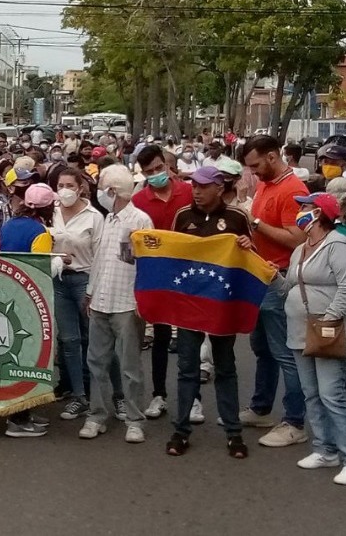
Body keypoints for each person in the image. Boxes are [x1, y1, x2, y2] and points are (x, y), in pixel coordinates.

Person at [280, 193, 346, 485]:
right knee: (312, 392)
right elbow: (291, 284)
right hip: (299, 330)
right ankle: (324, 449)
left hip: (326, 330)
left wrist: (329, 319)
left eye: (305, 207)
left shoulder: (338, 246)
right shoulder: (302, 248)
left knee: (332, 393)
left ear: (319, 214)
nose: (300, 212)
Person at [166, 166, 253, 459]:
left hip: (222, 305)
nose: (197, 191)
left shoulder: (237, 217)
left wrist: (246, 246)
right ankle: (181, 430)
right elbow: (171, 256)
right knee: (187, 369)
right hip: (190, 303)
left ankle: (234, 433)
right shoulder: (183, 216)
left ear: (219, 187)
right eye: (194, 186)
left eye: (203, 186)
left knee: (225, 368)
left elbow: (251, 259)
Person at [240, 135, 309, 448]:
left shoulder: (293, 189)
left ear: (272, 156)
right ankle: (261, 407)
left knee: (285, 351)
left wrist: (253, 222)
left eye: (256, 165)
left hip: (278, 277)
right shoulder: (266, 183)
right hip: (260, 275)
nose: (253, 172)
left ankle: (295, 421)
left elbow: (296, 239)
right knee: (262, 347)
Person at [79, 165, 153, 444]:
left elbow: (147, 263)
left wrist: (141, 299)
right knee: (96, 361)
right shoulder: (107, 219)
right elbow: (100, 261)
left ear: (112, 191)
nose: (99, 193)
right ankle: (96, 415)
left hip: (127, 303)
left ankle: (135, 420)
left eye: (102, 188)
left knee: (130, 365)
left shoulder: (141, 221)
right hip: (100, 300)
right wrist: (90, 292)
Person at [131, 145, 193, 420]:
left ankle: (194, 399)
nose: (156, 174)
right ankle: (159, 395)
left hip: (190, 273)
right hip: (157, 276)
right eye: (149, 172)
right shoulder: (139, 201)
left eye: (159, 168)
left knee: (191, 334)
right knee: (161, 336)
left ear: (167, 165)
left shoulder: (190, 193)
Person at [0, 183, 57, 438]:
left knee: (13, 355)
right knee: (28, 359)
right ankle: (18, 419)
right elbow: (40, 269)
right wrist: (58, 261)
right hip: (30, 300)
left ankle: (22, 412)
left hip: (6, 295)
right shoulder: (41, 232)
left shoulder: (8, 225)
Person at [51, 168, 106, 418]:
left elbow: (100, 255)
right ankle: (78, 395)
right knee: (69, 340)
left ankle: (102, 393)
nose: (64, 190)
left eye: (69, 185)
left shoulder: (93, 216)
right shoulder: (50, 211)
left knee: (93, 339)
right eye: (60, 184)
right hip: (59, 281)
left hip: (85, 279)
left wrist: (94, 289)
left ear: (80, 187)